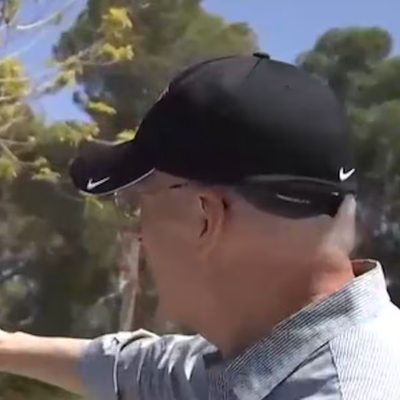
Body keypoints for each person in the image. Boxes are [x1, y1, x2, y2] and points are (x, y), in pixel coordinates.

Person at [1, 53, 400, 400]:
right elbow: (136, 369)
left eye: (136, 205)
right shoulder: (266, 360)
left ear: (204, 217)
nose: (135, 233)